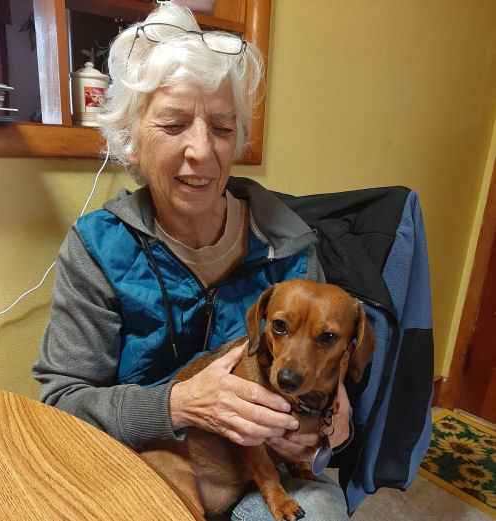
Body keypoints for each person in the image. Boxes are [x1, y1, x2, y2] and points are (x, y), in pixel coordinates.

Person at [32, 4, 351, 520]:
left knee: (319, 512)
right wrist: (176, 405)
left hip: (263, 474)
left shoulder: (289, 243)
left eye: (222, 128)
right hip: (152, 463)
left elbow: (327, 376)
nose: (201, 151)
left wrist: (331, 428)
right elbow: (62, 405)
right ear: (131, 142)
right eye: (174, 124)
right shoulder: (96, 249)